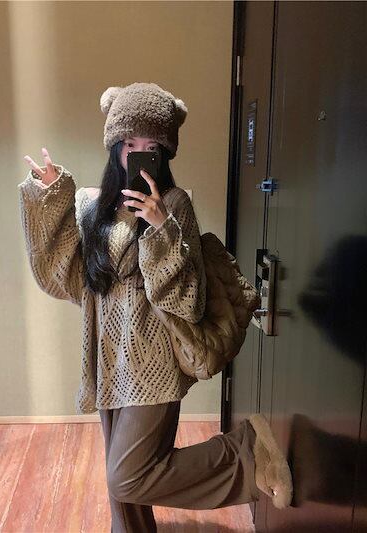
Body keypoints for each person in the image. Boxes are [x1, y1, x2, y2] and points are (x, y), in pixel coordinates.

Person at [18, 82, 293, 533]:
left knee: (127, 475)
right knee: (123, 490)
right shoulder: (90, 205)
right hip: (107, 361)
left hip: (155, 365)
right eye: (129, 143)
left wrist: (161, 228)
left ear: (163, 154)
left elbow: (187, 300)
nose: (139, 155)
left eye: (151, 147)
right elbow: (63, 278)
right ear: (114, 145)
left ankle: (246, 455)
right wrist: (49, 196)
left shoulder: (176, 205)